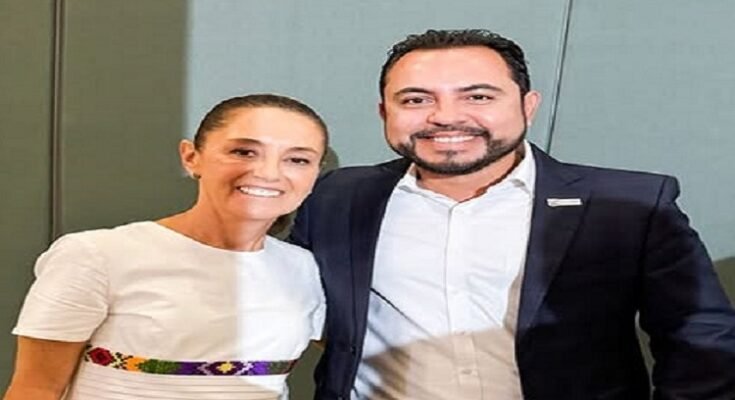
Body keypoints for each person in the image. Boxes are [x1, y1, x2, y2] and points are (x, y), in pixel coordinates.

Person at [289, 29, 735, 399]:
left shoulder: (628, 205)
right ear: (384, 111)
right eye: (416, 100)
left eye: (478, 96)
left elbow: (701, 340)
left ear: (528, 105)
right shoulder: (335, 195)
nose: (445, 117)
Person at [4, 93, 328, 400]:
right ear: (191, 157)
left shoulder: (304, 268)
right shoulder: (96, 256)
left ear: (315, 174)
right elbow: (36, 390)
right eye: (243, 152)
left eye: (297, 159)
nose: (267, 172)